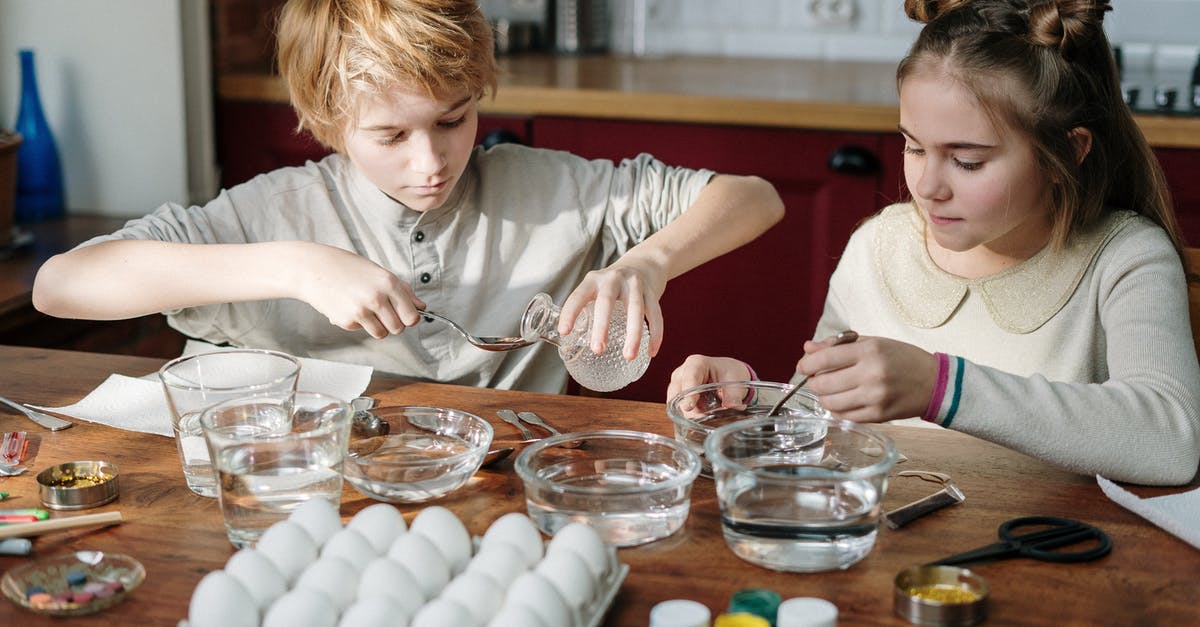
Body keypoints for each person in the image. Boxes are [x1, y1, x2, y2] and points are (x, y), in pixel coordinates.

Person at [31, 0, 783, 395]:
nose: (432, 162)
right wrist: (296, 268)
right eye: (391, 135)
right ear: (327, 123)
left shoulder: (550, 189)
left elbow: (754, 197)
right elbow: (59, 285)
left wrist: (647, 262)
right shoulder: (273, 213)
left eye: (453, 120)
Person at [667, 0, 1200, 486]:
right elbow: (823, 426)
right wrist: (750, 404)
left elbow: (1173, 442)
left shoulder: (1126, 258)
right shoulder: (878, 247)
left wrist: (940, 387)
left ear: (1068, 150)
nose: (926, 187)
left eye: (968, 161)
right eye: (914, 147)